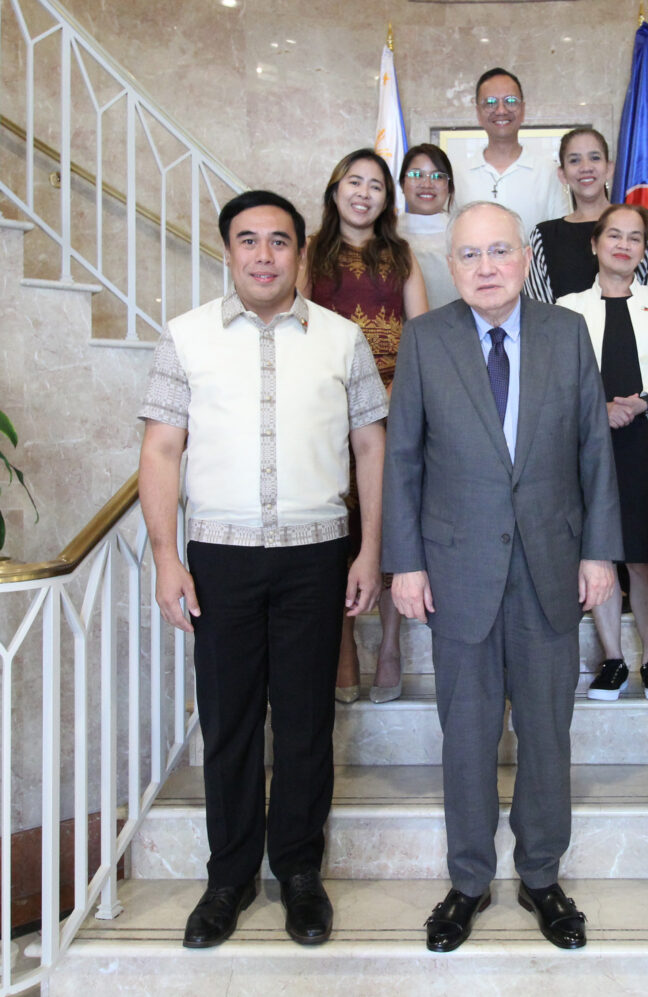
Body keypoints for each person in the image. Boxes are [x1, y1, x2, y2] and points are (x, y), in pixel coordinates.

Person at [137, 190, 387, 948]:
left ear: (300, 253)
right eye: (248, 240)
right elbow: (160, 450)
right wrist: (164, 558)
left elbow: (371, 449)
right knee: (231, 720)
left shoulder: (342, 339)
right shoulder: (184, 338)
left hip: (317, 554)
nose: (264, 255)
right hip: (221, 557)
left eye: (279, 240)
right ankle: (229, 878)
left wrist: (369, 549)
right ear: (228, 250)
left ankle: (301, 875)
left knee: (308, 719)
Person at [382, 201, 621, 953]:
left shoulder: (567, 332)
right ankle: (469, 880)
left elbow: (592, 448)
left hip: (551, 564)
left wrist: (599, 550)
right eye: (469, 255)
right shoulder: (426, 339)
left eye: (499, 251)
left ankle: (543, 877)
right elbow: (404, 458)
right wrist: (406, 561)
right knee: (468, 734)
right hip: (457, 570)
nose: (485, 267)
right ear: (449, 266)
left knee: (548, 731)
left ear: (524, 257)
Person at [302, 148, 428, 705]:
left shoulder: (401, 255)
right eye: (354, 182)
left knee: (395, 520)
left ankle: (393, 645)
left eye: (376, 185)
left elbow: (421, 335)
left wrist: (397, 392)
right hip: (330, 411)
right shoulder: (310, 253)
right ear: (335, 191)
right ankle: (345, 646)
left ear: (387, 199)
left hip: (395, 406)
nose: (364, 193)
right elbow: (296, 329)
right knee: (340, 527)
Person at [557, 204, 648, 701]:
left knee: (644, 560)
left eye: (634, 238)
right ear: (594, 244)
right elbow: (556, 379)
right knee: (599, 552)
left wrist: (640, 403)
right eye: (613, 235)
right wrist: (601, 409)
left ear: (644, 250)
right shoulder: (567, 307)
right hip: (589, 446)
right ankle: (614, 659)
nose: (623, 244)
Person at [525, 128, 648, 303]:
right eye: (574, 160)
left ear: (609, 168)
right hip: (564, 331)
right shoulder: (543, 235)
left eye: (595, 158)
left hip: (639, 329)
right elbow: (540, 311)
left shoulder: (645, 222)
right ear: (562, 174)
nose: (586, 167)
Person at [451, 67, 568, 235]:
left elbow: (560, 236)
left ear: (523, 109)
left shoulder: (548, 172)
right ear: (477, 112)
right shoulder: (458, 174)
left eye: (510, 101)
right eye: (490, 102)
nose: (501, 110)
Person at [397, 143, 460, 308]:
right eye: (416, 175)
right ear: (402, 183)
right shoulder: (386, 233)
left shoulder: (465, 234)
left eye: (437, 176)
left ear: (449, 186)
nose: (427, 184)